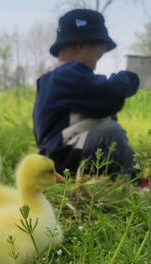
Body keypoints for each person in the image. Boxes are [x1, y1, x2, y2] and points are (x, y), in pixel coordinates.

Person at [33, 9, 140, 178]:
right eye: (97, 56)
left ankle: (111, 176)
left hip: (57, 155)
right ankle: (133, 180)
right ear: (79, 46)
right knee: (110, 132)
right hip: (66, 156)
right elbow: (108, 97)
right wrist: (129, 79)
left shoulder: (51, 79)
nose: (96, 66)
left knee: (106, 125)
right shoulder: (68, 74)